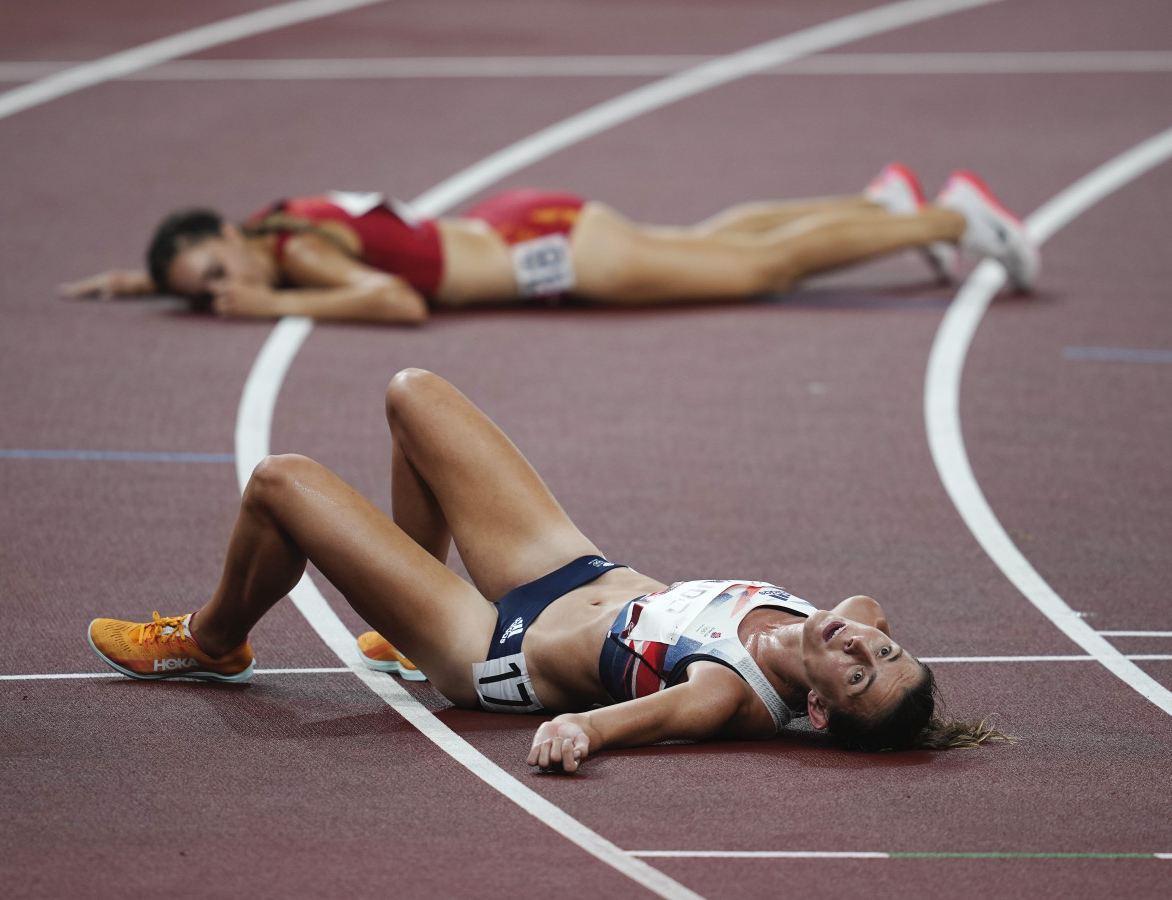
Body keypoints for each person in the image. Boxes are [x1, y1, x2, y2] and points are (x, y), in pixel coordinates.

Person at [87, 368, 1009, 770]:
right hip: (572, 566)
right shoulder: (840, 626)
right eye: (885, 651)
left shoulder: (723, 697)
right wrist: (874, 665)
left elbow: (613, 725)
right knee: (412, 395)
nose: (864, 645)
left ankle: (211, 641)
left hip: (499, 647)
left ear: (814, 712)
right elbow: (859, 617)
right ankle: (398, 622)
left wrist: (578, 741)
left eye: (858, 674)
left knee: (280, 482)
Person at [61, 165, 1038, 324]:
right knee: (710, 239)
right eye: (203, 292)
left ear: (235, 238)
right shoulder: (284, 216)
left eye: (215, 271)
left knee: (758, 272)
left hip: (562, 261)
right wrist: (135, 280)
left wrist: (273, 304)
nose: (223, 291)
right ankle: (874, 201)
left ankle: (953, 217)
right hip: (524, 222)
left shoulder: (297, 261)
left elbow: (394, 303)